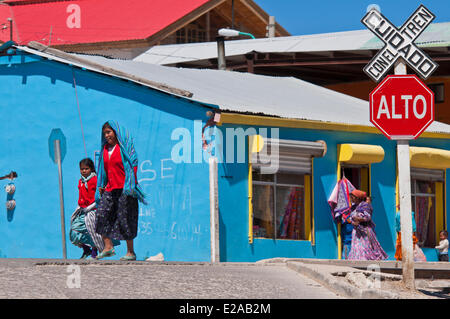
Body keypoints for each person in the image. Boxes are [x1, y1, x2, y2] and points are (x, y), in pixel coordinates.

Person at [94, 121, 146, 261]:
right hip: (110, 188)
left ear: (116, 132)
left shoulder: (124, 148)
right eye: (104, 133)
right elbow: (103, 170)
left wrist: (131, 183)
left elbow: (133, 163)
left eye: (109, 132)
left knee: (126, 219)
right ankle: (108, 247)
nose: (106, 136)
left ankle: (130, 252)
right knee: (101, 214)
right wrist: (102, 184)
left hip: (125, 188)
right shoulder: (105, 149)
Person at [70, 158, 100, 259]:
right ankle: (86, 250)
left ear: (91, 169)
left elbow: (99, 196)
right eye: (82, 169)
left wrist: (91, 206)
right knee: (74, 230)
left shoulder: (95, 180)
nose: (84, 171)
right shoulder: (81, 181)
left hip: (93, 210)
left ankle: (94, 252)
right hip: (82, 210)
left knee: (93, 232)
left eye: (86, 169)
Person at [347, 189, 388, 261]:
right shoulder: (354, 207)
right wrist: (352, 221)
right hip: (357, 232)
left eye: (352, 197)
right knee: (357, 248)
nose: (351, 199)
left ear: (357, 197)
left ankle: (365, 262)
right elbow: (351, 217)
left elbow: (367, 217)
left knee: (365, 247)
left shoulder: (365, 206)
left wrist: (358, 219)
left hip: (364, 231)